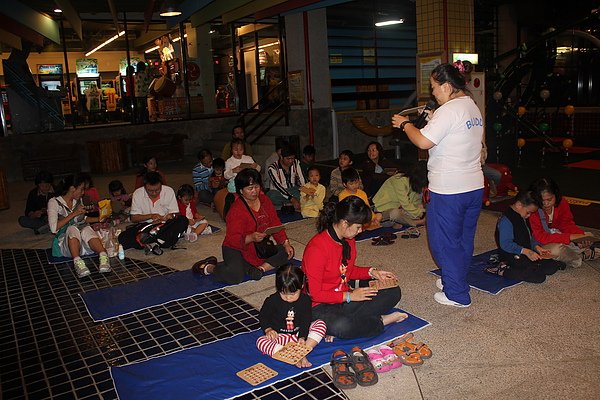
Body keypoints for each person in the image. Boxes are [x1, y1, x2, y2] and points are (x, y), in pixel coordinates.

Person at [392, 62, 484, 307]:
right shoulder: (471, 107)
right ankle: (453, 279)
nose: (432, 92)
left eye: (433, 87)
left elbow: (423, 142)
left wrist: (405, 124)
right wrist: (434, 119)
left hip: (449, 189)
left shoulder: (450, 110)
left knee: (444, 242)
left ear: (446, 86)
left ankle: (457, 294)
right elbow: (454, 137)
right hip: (473, 186)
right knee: (463, 239)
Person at [302, 197, 406, 339]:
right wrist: (350, 296)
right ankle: (381, 321)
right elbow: (314, 294)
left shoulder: (349, 240)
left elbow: (347, 271)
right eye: (358, 227)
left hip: (345, 298)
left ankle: (357, 320)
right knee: (342, 326)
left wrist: (372, 272)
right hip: (321, 305)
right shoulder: (316, 249)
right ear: (345, 223)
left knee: (393, 291)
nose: (361, 231)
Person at [191, 169, 294, 284]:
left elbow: (275, 223)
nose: (255, 191)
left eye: (257, 187)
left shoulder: (265, 200)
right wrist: (251, 238)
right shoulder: (236, 210)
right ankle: (209, 267)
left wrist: (285, 242)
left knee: (286, 251)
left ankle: (260, 269)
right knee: (235, 276)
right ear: (241, 191)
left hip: (260, 247)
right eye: (250, 188)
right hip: (236, 248)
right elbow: (233, 240)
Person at [256, 265, 327, 368]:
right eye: (283, 293)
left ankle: (301, 353)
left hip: (299, 337)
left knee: (320, 324)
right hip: (280, 336)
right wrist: (268, 329)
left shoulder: (305, 300)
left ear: (302, 286)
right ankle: (293, 356)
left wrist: (302, 337)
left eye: (292, 294)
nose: (288, 297)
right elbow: (263, 316)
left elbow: (306, 320)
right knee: (261, 341)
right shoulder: (272, 300)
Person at [47, 174, 111, 278]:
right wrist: (74, 214)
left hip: (82, 242)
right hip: (65, 243)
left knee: (86, 228)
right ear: (72, 188)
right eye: (81, 190)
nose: (83, 193)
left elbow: (82, 219)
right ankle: (78, 262)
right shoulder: (54, 202)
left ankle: (103, 256)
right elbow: (53, 228)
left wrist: (98, 219)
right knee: (72, 228)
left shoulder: (77, 201)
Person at [493, 190, 564, 283]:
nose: (529, 216)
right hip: (511, 253)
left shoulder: (522, 215)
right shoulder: (506, 220)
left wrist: (536, 247)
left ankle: (534, 266)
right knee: (538, 277)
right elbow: (506, 244)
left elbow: (529, 236)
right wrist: (526, 251)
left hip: (526, 251)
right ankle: (503, 270)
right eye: (528, 212)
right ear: (519, 205)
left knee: (550, 267)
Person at [528, 177, 598, 266]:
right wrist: (570, 237)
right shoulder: (533, 208)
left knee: (588, 236)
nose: (546, 204)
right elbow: (540, 237)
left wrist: (579, 236)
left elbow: (567, 223)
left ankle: (579, 250)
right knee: (556, 250)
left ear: (556, 195)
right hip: (541, 243)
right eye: (542, 200)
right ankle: (580, 256)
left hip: (558, 236)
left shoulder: (561, 202)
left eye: (549, 199)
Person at [121, 171, 188, 254]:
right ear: (144, 187)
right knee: (122, 238)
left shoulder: (168, 191)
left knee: (183, 220)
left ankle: (151, 241)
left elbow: (176, 214)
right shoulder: (138, 193)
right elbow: (134, 218)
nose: (154, 193)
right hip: (146, 226)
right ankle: (158, 241)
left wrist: (170, 216)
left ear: (161, 185)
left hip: (165, 225)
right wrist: (151, 216)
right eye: (150, 191)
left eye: (157, 190)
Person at [373, 160, 428, 227]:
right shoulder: (399, 180)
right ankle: (417, 222)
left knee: (420, 207)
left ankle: (401, 222)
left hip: (400, 210)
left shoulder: (414, 184)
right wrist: (421, 214)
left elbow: (415, 203)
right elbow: (406, 204)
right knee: (395, 213)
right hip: (383, 213)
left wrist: (422, 211)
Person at [266, 144, 306, 211]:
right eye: (288, 159)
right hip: (278, 192)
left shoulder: (296, 162)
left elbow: (302, 179)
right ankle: (292, 203)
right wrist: (292, 199)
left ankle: (286, 205)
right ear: (281, 157)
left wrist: (307, 191)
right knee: (271, 196)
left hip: (293, 189)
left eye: (292, 158)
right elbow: (278, 186)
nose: (291, 161)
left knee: (306, 193)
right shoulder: (272, 168)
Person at [19, 170, 55, 234]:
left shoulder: (56, 191)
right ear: (38, 185)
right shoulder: (33, 193)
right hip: (40, 219)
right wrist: (33, 215)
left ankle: (44, 228)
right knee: (22, 220)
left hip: (54, 217)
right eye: (42, 186)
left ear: (50, 184)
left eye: (47, 186)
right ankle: (47, 227)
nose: (44, 188)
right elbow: (28, 210)